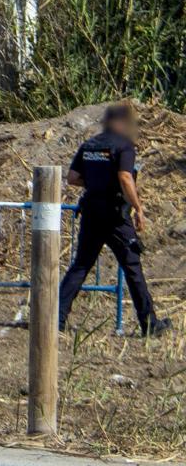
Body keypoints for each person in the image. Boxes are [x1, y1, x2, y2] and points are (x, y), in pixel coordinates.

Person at [58, 103, 171, 337]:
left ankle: (55, 318)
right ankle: (149, 324)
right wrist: (138, 208)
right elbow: (125, 177)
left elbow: (72, 177)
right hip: (115, 216)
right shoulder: (124, 146)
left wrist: (95, 184)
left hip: (91, 212)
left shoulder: (89, 145)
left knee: (81, 265)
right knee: (132, 268)